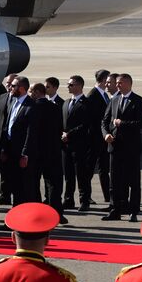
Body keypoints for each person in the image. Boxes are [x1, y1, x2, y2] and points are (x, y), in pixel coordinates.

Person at [103, 73, 142, 221]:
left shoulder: (138, 101)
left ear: (129, 83)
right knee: (114, 180)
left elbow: (141, 123)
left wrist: (122, 123)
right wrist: (106, 134)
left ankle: (133, 210)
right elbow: (105, 121)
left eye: (120, 83)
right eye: (117, 83)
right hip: (115, 147)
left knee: (133, 181)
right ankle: (115, 210)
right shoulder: (114, 100)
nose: (117, 85)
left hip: (131, 148)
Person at [27, 82, 65, 219]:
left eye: (31, 91)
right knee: (53, 183)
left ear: (37, 92)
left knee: (34, 183)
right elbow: (60, 127)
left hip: (36, 152)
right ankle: (56, 212)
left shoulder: (32, 108)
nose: (29, 94)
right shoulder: (55, 107)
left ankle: (38, 212)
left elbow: (30, 132)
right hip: (53, 151)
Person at [62, 75, 98, 212]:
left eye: (71, 84)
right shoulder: (66, 103)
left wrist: (69, 134)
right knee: (68, 175)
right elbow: (62, 122)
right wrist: (62, 134)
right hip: (66, 146)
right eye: (68, 84)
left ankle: (84, 200)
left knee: (82, 175)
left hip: (80, 145)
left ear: (79, 86)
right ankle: (68, 199)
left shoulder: (87, 103)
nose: (68, 86)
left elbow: (86, 124)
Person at [0, 76, 35, 205]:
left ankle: (19, 219)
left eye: (13, 86)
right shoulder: (12, 103)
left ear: (21, 88)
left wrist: (25, 154)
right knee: (12, 184)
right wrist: (3, 149)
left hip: (20, 153)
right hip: (9, 151)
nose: (10, 88)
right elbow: (6, 126)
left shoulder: (31, 106)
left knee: (21, 188)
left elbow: (30, 134)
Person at [90, 69, 114, 206]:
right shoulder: (93, 96)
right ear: (104, 80)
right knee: (90, 168)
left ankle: (107, 195)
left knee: (103, 168)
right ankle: (85, 196)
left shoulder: (103, 95)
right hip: (95, 139)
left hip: (103, 139)